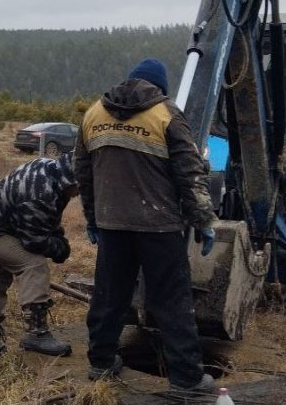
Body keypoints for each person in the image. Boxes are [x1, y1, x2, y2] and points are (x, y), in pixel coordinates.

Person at [75, 58, 217, 395]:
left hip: (112, 224)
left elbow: (84, 173)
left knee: (110, 296)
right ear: (160, 87)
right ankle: (186, 380)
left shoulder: (94, 113)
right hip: (159, 226)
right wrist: (204, 220)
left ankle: (101, 362)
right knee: (171, 301)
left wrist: (93, 217)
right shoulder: (165, 114)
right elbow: (190, 172)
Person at [0, 152, 76, 363]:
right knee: (33, 264)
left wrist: (58, 237)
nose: (79, 194)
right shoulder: (42, 193)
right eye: (80, 188)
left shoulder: (49, 169)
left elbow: (45, 220)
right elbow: (35, 241)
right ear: (71, 180)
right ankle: (36, 333)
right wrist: (59, 249)